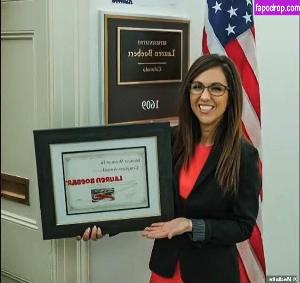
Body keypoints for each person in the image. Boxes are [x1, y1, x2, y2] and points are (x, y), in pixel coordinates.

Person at [78, 54, 261, 283]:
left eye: (216, 88)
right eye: (197, 87)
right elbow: (138, 194)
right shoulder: (168, 140)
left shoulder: (244, 156)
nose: (205, 96)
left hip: (211, 274)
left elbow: (242, 226)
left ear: (231, 96)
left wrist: (190, 225)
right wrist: (102, 223)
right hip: (165, 270)